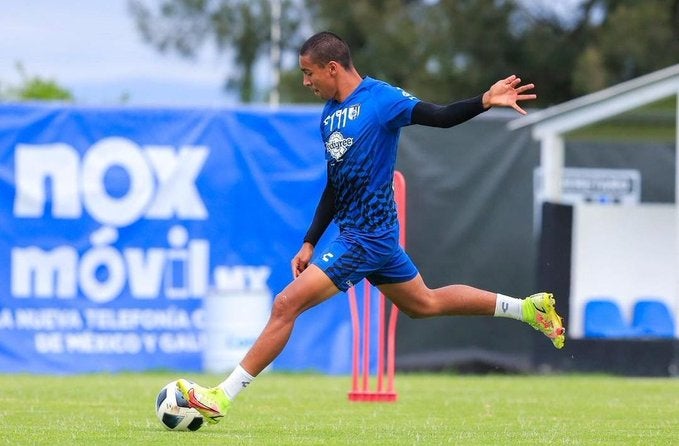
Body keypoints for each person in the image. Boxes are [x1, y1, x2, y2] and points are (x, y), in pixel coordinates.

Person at [177, 31, 565, 423]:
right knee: (424, 303)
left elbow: (440, 116)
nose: (306, 82)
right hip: (368, 237)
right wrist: (310, 240)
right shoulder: (329, 114)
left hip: (365, 238)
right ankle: (527, 309)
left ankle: (221, 397)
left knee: (285, 304)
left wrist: (484, 100)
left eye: (308, 73)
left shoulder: (382, 100)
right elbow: (335, 183)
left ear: (332, 68)